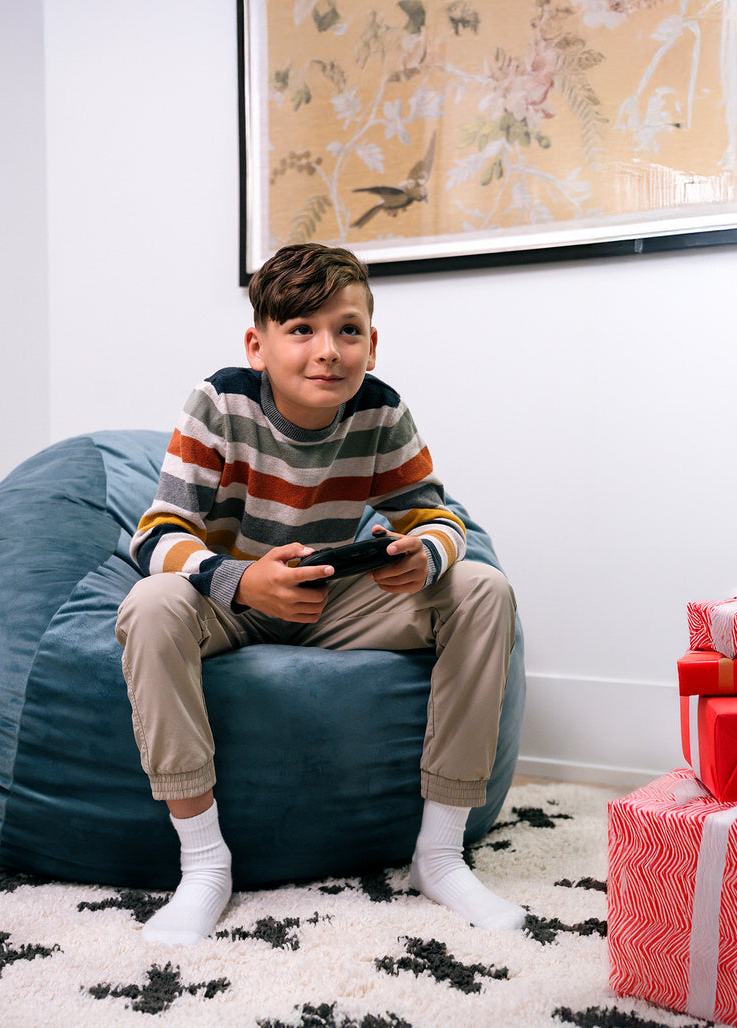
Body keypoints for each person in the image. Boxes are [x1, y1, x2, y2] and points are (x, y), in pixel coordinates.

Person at [115, 243, 523, 946]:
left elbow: (438, 515)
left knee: (482, 588)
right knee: (150, 606)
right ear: (259, 344)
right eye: (301, 330)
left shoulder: (380, 411)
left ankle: (441, 853)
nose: (326, 351)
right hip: (231, 599)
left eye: (347, 330)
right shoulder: (220, 404)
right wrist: (245, 580)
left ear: (372, 341)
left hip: (328, 599)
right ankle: (205, 862)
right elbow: (155, 538)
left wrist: (422, 555)